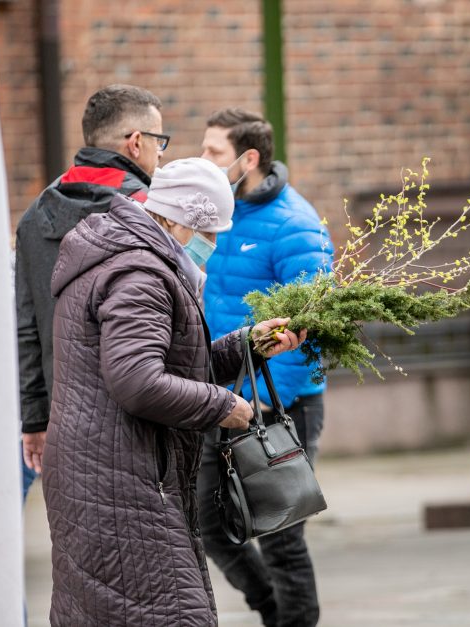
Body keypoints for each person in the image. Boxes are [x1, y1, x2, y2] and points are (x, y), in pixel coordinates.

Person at [42, 157, 306, 625]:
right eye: (210, 231)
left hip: (116, 474)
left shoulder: (127, 256)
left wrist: (249, 345)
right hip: (125, 481)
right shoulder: (140, 274)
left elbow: (171, 362)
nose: (215, 243)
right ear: (178, 220)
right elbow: (138, 381)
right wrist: (224, 405)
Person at [197, 108, 333, 627]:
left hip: (277, 403)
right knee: (209, 523)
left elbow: (311, 330)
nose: (203, 158)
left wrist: (259, 401)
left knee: (280, 532)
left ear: (247, 158)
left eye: (214, 151)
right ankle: (274, 610)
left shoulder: (295, 226)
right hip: (218, 394)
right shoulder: (216, 212)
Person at [15, 84, 167, 493]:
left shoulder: (35, 215)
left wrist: (34, 420)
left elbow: (26, 328)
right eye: (159, 141)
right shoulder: (150, 214)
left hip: (66, 423)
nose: (161, 153)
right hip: (141, 419)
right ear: (136, 143)